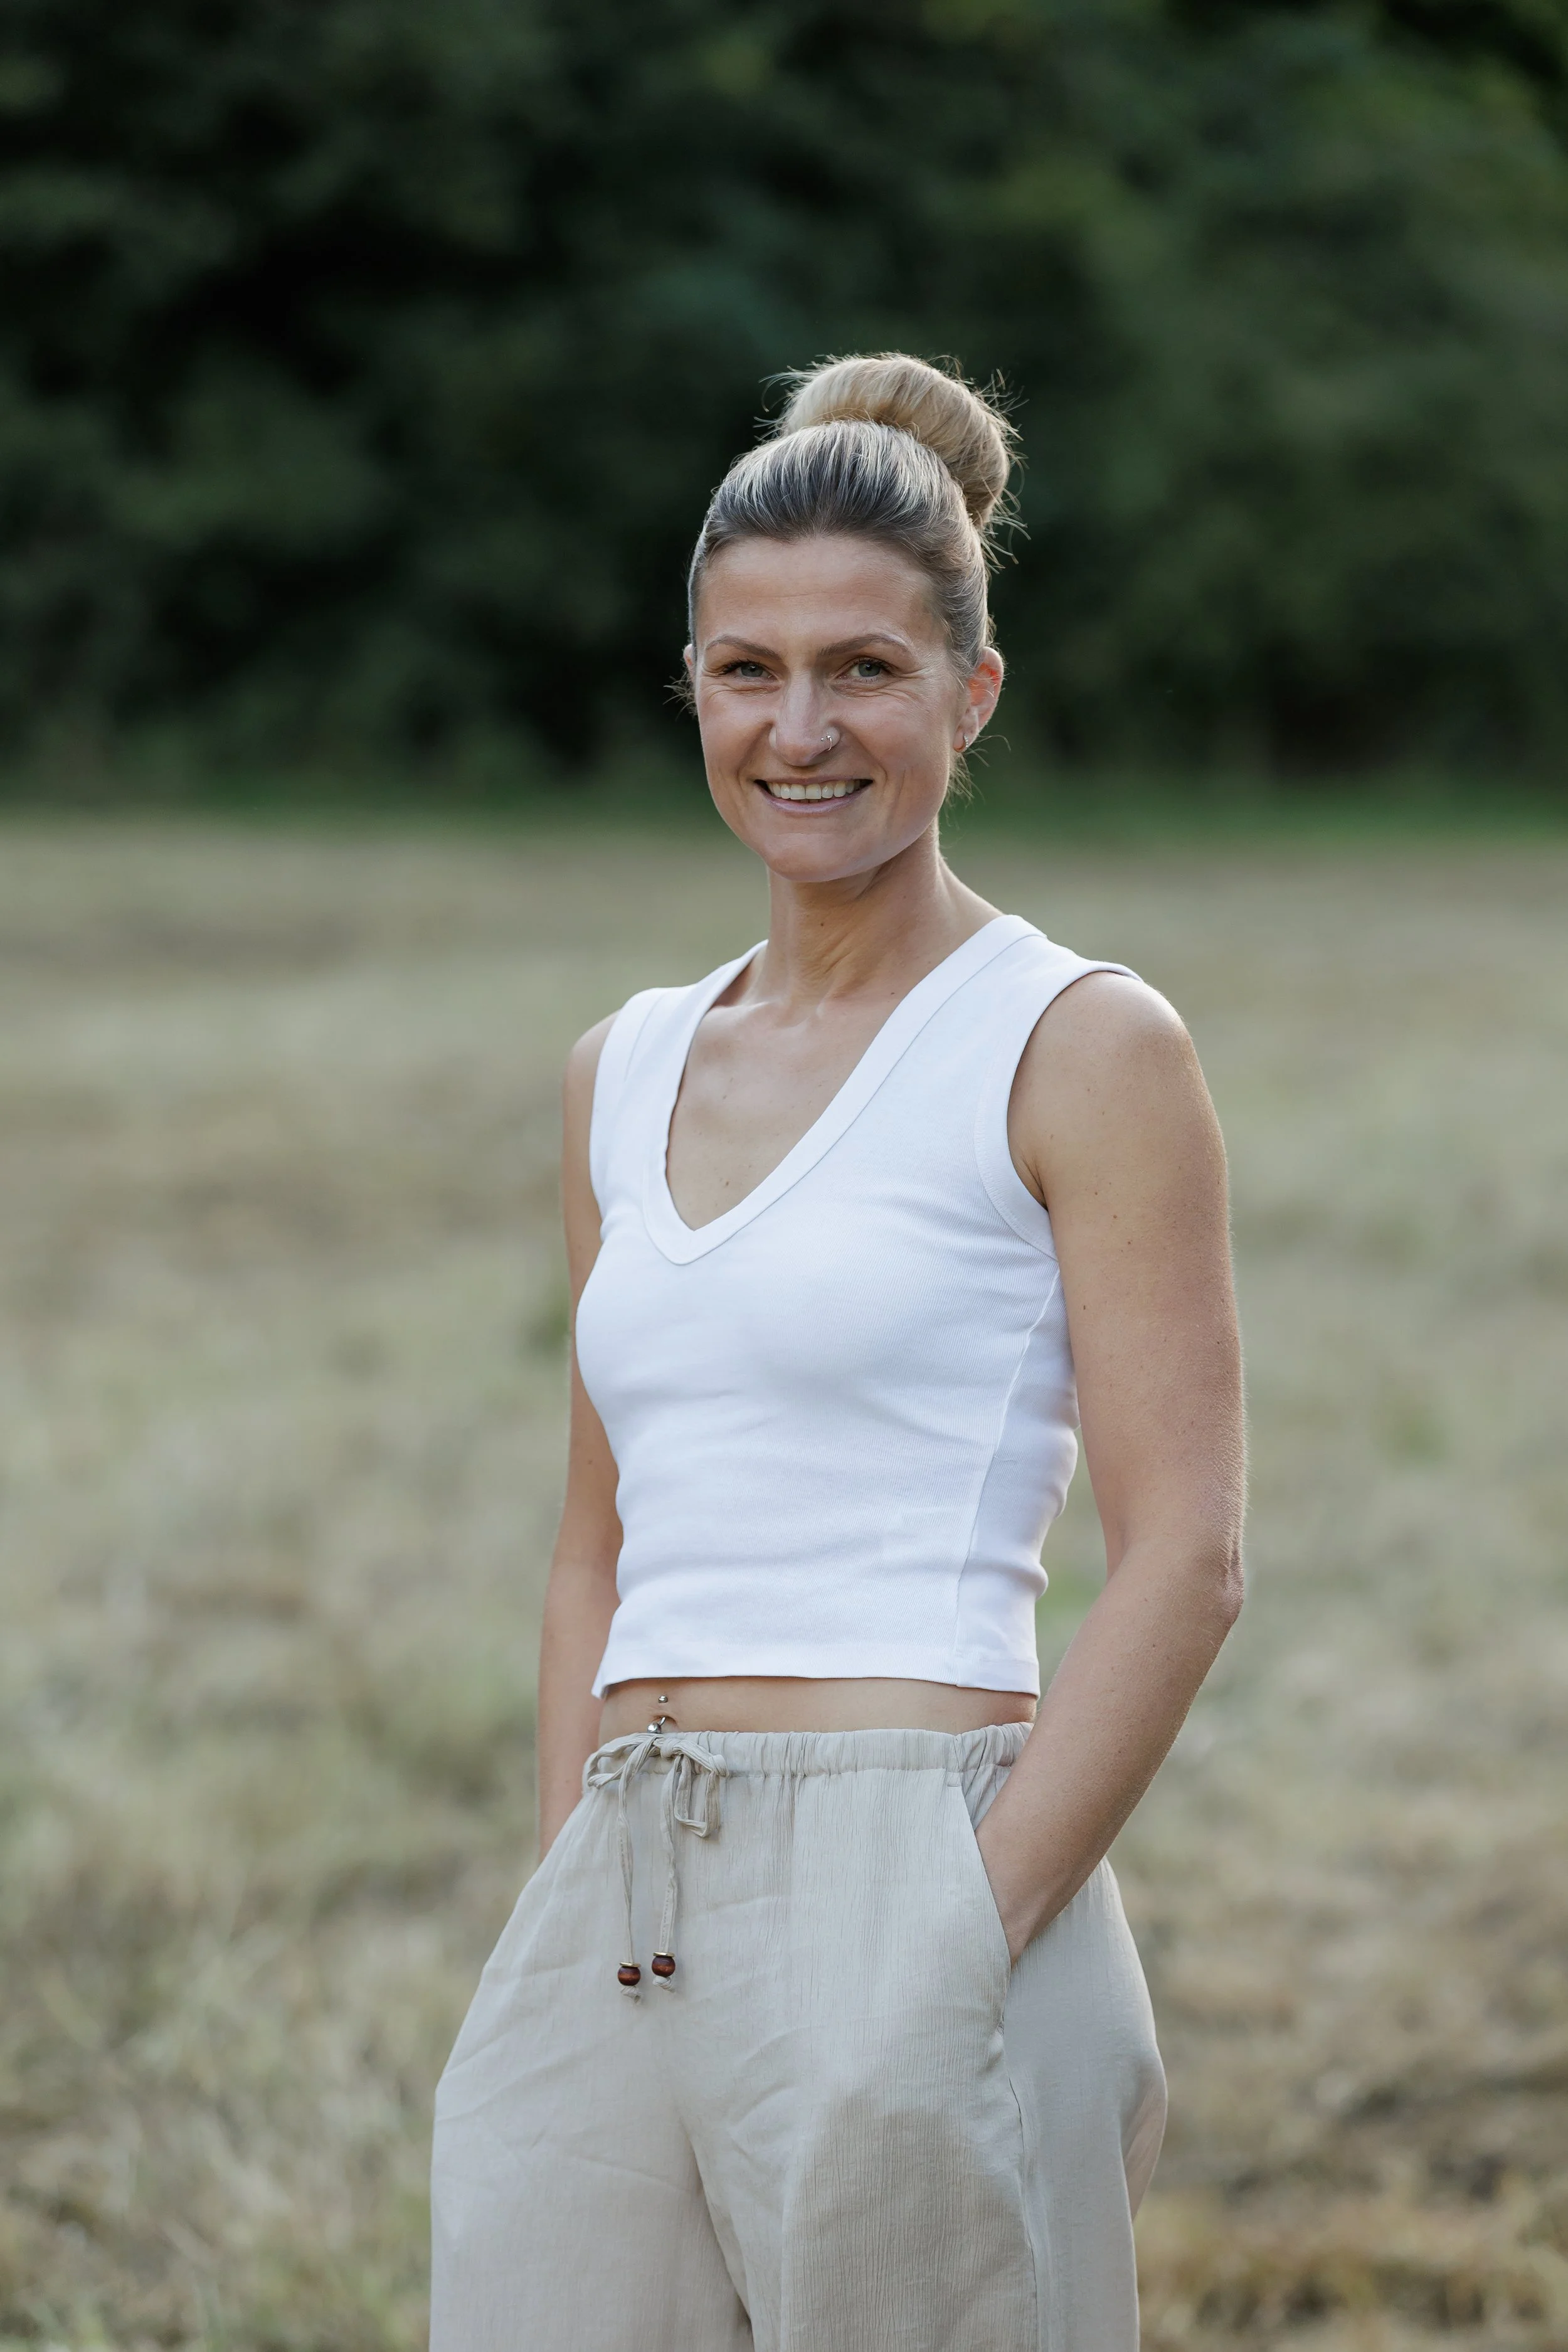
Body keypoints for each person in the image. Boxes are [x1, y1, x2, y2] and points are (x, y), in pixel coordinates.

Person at [430, 353, 1245, 2352]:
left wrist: (960, 1930)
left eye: (863, 669)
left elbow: (1187, 1554)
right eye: (745, 671)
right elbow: (590, 1549)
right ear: (692, 687)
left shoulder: (1078, 1042)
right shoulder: (615, 1068)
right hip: (628, 1885)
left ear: (970, 695)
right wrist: (573, 1878)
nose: (800, 729)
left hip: (929, 1848)